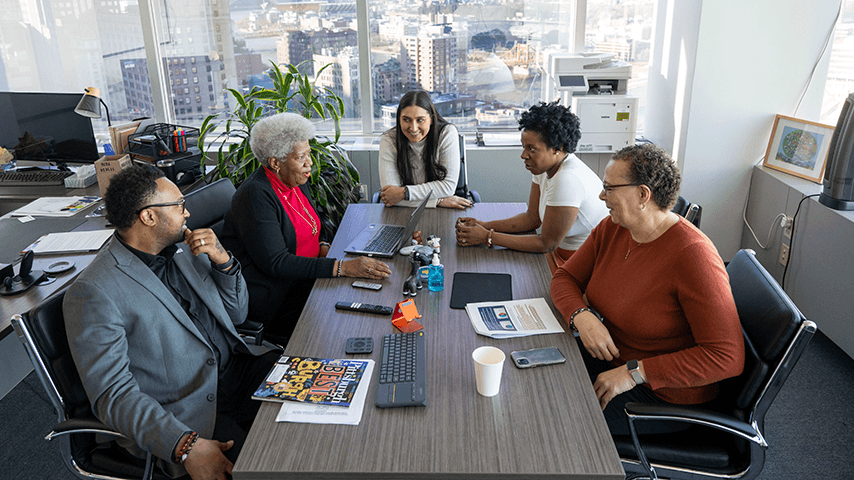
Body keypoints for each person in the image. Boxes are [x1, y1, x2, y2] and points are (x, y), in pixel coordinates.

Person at [64, 165, 279, 480]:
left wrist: (224, 262)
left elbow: (237, 316)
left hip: (240, 370)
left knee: (321, 412)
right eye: (179, 205)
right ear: (149, 216)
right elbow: (113, 395)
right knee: (273, 464)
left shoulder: (183, 250)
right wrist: (185, 446)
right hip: (189, 411)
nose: (188, 213)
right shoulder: (94, 292)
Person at [550, 143, 745, 436]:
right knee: (538, 384)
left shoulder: (694, 256)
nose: (602, 196)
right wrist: (582, 316)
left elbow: (726, 357)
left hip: (664, 396)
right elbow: (564, 278)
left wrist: (635, 372)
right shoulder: (613, 228)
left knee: (556, 425)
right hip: (611, 362)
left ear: (643, 195)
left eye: (610, 188)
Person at [221, 112, 390, 340]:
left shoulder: (295, 180)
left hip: (309, 278)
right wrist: (342, 268)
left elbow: (313, 223)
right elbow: (277, 263)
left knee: (373, 297)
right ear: (275, 162)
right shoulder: (254, 196)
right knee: (348, 326)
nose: (309, 163)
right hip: (281, 295)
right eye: (301, 157)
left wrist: (322, 246)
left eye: (309, 154)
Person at [455, 101, 609, 273]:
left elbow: (546, 244)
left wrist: (487, 236)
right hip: (561, 254)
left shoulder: (567, 179)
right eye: (523, 147)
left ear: (557, 149)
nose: (523, 155)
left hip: (585, 264)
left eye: (532, 149)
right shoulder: (543, 168)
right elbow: (532, 218)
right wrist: (484, 225)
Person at [378, 90, 472, 209]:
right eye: (406, 119)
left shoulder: (446, 133)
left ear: (431, 119)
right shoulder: (389, 140)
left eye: (420, 120)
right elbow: (391, 197)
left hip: (446, 213)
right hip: (405, 213)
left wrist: (404, 193)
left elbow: (448, 187)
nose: (413, 128)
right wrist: (438, 201)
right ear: (399, 119)